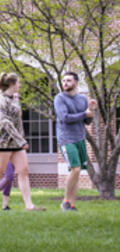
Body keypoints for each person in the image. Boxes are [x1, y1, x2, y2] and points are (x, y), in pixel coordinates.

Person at [0, 73, 44, 211]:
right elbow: (5, 122)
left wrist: (16, 100)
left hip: (16, 143)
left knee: (23, 171)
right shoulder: (0, 100)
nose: (20, 85)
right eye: (18, 83)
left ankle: (29, 205)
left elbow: (17, 118)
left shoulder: (13, 98)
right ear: (12, 84)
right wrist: (21, 140)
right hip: (2, 142)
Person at [54, 71, 96, 212]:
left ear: (76, 83)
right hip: (66, 138)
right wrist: (85, 113)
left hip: (79, 137)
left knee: (77, 172)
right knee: (75, 168)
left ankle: (71, 204)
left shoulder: (82, 99)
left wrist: (91, 111)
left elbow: (87, 121)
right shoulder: (59, 98)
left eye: (69, 81)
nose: (65, 83)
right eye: (64, 81)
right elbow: (64, 117)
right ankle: (65, 202)